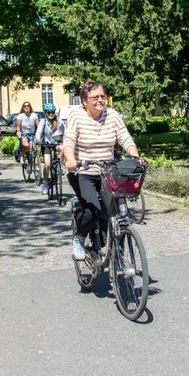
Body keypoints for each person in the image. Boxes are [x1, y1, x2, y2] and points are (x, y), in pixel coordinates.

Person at [62, 83, 139, 260]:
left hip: (107, 173)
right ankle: (79, 238)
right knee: (92, 209)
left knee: (114, 212)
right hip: (83, 171)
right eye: (95, 97)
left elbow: (125, 137)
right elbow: (69, 140)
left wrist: (135, 157)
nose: (100, 100)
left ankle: (114, 252)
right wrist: (71, 159)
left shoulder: (112, 115)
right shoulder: (77, 116)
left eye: (102, 96)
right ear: (84, 101)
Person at [34, 102, 64, 196]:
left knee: (64, 152)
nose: (51, 114)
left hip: (57, 143)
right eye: (49, 112)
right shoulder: (43, 121)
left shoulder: (59, 121)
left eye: (52, 112)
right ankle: (46, 183)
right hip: (46, 144)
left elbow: (66, 131)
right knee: (47, 164)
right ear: (45, 113)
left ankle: (60, 169)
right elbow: (38, 132)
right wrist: (38, 140)